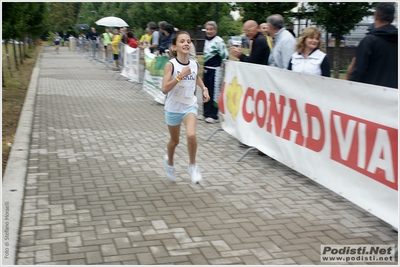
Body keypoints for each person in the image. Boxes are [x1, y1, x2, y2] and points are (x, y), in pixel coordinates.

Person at [161, 31, 211, 184]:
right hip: (173, 108)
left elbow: (195, 76)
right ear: (175, 46)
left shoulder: (194, 63)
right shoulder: (171, 65)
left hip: (190, 105)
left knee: (191, 135)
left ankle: (193, 165)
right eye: (182, 41)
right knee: (174, 141)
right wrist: (179, 76)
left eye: (188, 41)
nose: (186, 44)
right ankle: (169, 163)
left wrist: (204, 88)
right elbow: (164, 89)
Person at [350, 2, 398, 89]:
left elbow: (359, 72)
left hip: (372, 95)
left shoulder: (369, 41)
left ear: (376, 16)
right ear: (393, 18)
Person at [200, 21, 229, 124]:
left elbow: (225, 56)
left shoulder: (219, 41)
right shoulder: (206, 41)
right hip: (206, 69)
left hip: (215, 71)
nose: (209, 31)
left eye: (211, 29)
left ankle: (214, 115)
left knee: (214, 92)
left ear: (215, 30)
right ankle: (206, 113)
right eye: (207, 29)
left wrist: (223, 69)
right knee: (205, 90)